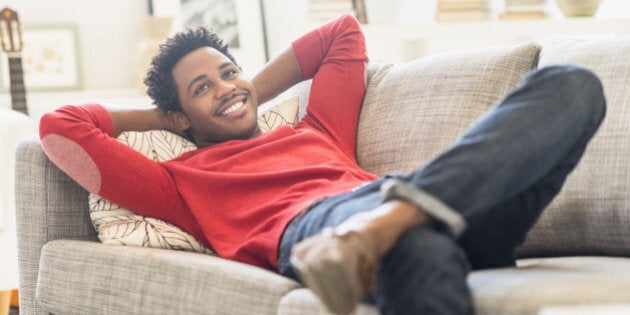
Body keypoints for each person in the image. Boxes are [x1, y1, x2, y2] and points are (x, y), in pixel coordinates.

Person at [39, 14, 605, 315]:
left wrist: (241, 93)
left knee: (572, 84)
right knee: (418, 252)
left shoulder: (315, 128)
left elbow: (341, 33)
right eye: (201, 88)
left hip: (411, 205)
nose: (226, 88)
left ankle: (379, 229)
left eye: (228, 71)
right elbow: (60, 128)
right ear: (179, 115)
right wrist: (170, 119)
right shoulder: (177, 183)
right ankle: (384, 232)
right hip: (318, 227)